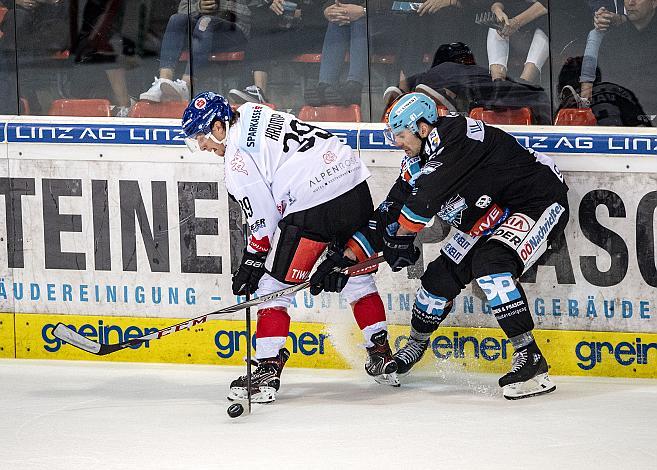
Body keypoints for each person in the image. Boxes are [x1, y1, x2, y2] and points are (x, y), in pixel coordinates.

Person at [310, 92, 569, 400]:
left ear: (422, 127)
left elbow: (423, 201)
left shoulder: (455, 138)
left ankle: (532, 358)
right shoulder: (419, 156)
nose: (398, 143)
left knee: (491, 266)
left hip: (536, 202)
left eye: (402, 135)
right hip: (489, 214)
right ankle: (415, 345)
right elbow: (391, 210)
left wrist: (401, 238)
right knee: (437, 280)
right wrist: (345, 257)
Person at [180, 91, 399, 403]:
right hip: (353, 186)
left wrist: (252, 262)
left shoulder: (236, 160)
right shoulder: (252, 109)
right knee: (356, 276)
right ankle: (380, 351)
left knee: (271, 287)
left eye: (202, 137)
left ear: (218, 127)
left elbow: (265, 222)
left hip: (312, 203)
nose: (202, 146)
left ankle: (267, 369)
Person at [383, 42, 551, 124]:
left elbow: (408, 79)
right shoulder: (478, 72)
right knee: (536, 94)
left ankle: (406, 96)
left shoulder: (428, 74)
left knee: (422, 82)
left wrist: (400, 90)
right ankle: (443, 94)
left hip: (433, 82)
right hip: (472, 85)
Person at [139, 0, 250, 103]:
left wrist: (222, 6)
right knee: (176, 19)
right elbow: (183, 9)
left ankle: (186, 86)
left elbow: (252, 10)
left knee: (205, 21)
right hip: (202, 29)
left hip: (235, 30)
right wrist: (198, 7)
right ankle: (162, 82)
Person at [487, 0, 549, 84]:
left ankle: (525, 81)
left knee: (547, 25)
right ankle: (498, 81)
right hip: (516, 32)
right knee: (496, 25)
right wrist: (497, 10)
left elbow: (547, 4)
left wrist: (517, 22)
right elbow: (498, 2)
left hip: (542, 27)